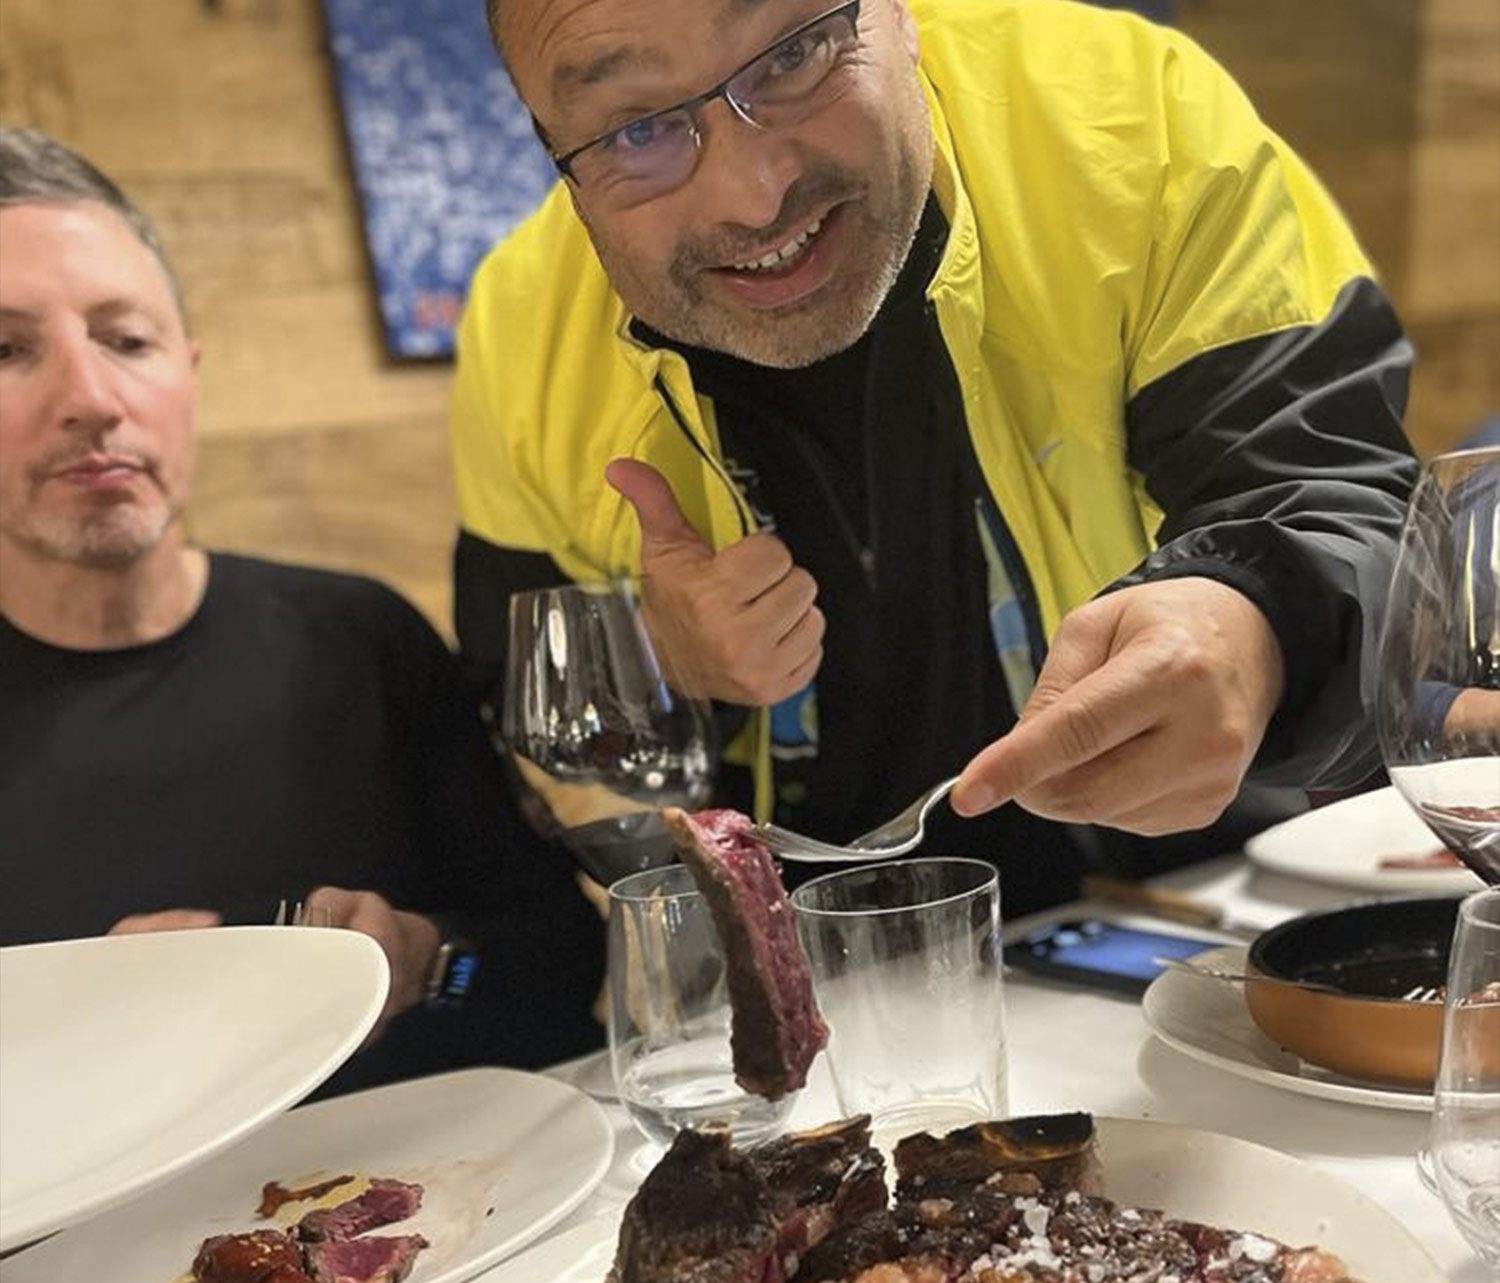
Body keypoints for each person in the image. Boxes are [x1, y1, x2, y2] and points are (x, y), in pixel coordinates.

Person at [449, 0, 1418, 914]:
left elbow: (1347, 508)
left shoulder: (1129, 126)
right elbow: (530, 722)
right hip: (797, 1004)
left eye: (794, 53)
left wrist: (1251, 625)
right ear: (556, 154)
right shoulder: (522, 330)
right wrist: (655, 661)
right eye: (636, 129)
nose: (757, 192)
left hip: (1191, 911)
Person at [0, 127, 605, 1089]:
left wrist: (422, 961)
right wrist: (72, 1035)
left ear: (189, 371)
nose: (90, 396)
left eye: (127, 340)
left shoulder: (359, 639)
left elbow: (559, 965)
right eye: (7, 349)